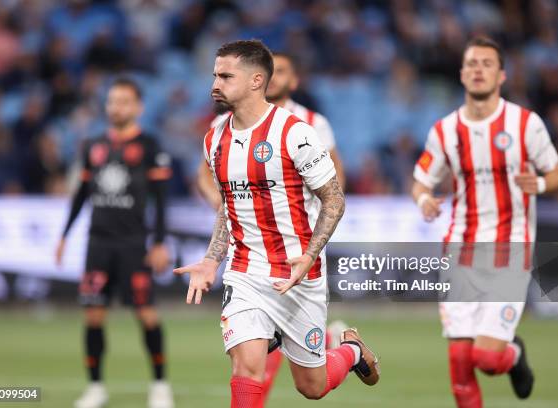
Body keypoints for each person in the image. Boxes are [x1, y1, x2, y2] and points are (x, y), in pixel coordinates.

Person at [174, 40, 380, 407]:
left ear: (256, 81)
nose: (215, 84)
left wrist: (310, 255)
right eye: (214, 75)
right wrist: (211, 260)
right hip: (246, 272)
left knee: (311, 386)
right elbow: (229, 207)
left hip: (297, 275)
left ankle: (349, 351)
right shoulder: (214, 138)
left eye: (225, 76)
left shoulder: (294, 132)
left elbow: (334, 198)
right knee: (247, 368)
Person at [412, 36, 558, 408]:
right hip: (460, 250)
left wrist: (542, 183)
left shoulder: (526, 124)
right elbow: (421, 179)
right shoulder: (445, 131)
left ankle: (512, 354)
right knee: (460, 368)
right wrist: (424, 198)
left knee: (486, 359)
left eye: (486, 63)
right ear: (462, 74)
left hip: (510, 249)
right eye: (471, 64)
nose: (478, 70)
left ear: (501, 75)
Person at [56, 77, 174, 408]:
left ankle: (160, 384)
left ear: (138, 107)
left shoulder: (151, 146)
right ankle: (96, 387)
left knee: (146, 313)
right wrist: (64, 235)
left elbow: (161, 201)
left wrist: (161, 242)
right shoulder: (93, 145)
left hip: (134, 244)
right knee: (93, 315)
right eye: (111, 101)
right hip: (98, 244)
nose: (116, 107)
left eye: (123, 101)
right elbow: (81, 194)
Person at [197, 51, 345, 210]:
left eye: (280, 72)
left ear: (294, 81)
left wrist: (325, 212)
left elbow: (334, 172)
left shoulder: (313, 122)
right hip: (242, 228)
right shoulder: (224, 122)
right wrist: (219, 203)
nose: (272, 77)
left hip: (299, 227)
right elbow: (205, 173)